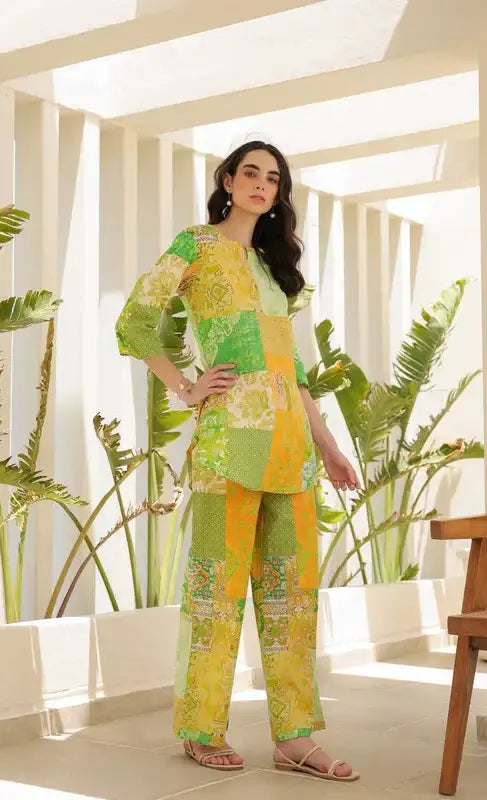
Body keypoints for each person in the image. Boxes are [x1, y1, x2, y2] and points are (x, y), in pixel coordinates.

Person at [116, 141, 359, 782]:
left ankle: (296, 738)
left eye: (272, 178)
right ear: (227, 181)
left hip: (292, 452)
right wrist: (186, 387)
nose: (261, 184)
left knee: (292, 598)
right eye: (250, 172)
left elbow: (293, 370)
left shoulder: (273, 268)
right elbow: (135, 322)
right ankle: (202, 729)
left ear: (278, 194)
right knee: (216, 592)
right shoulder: (195, 246)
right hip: (228, 447)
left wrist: (329, 446)